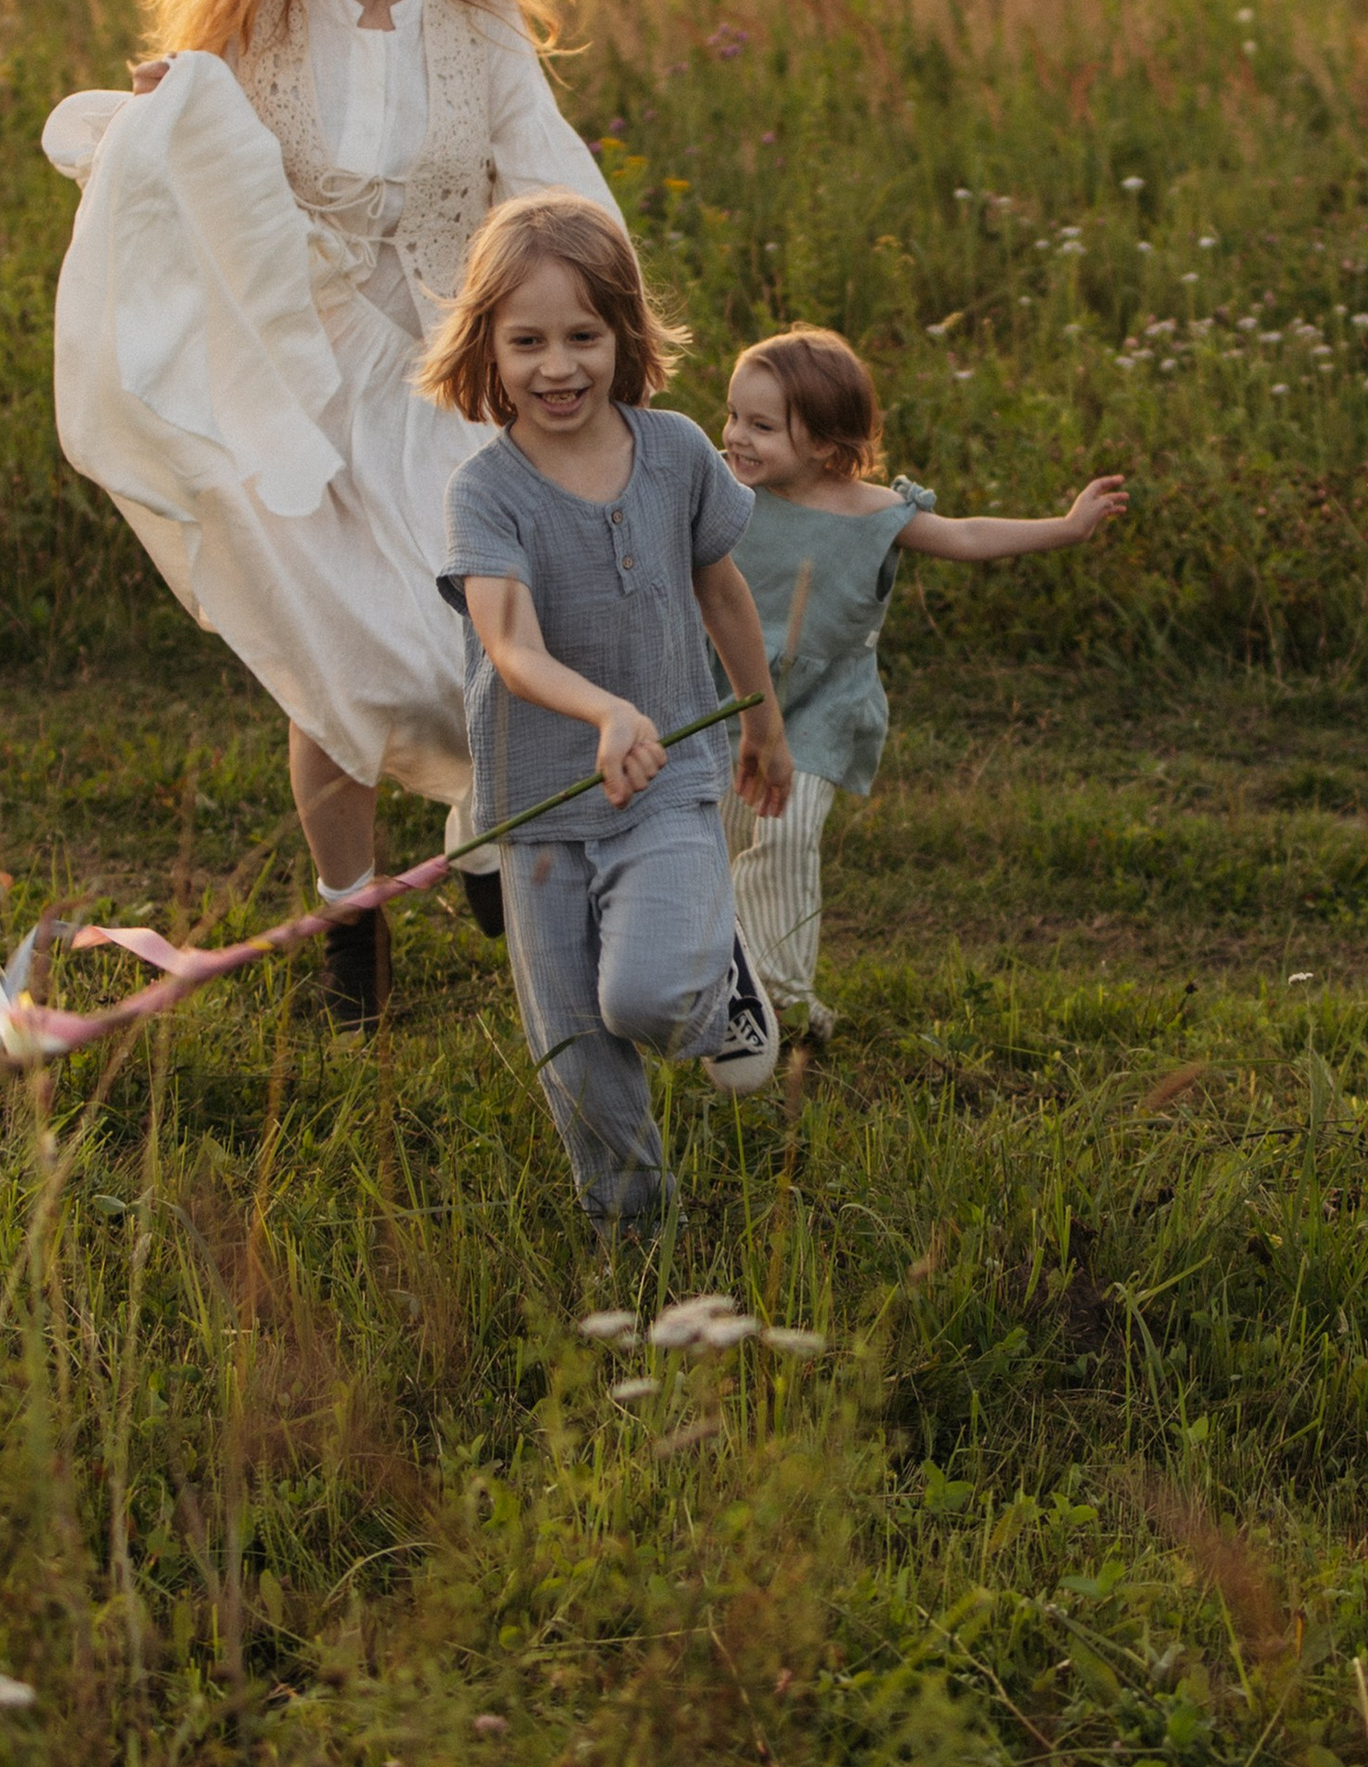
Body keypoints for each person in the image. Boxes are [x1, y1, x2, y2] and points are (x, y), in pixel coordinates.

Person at [42, 0, 616, 1024]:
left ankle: (479, 840)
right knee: (340, 666)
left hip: (455, 382)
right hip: (295, 384)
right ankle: (350, 920)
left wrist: (604, 314)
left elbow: (553, 174)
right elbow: (196, 155)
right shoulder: (257, 16)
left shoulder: (476, 23)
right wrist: (166, 114)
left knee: (494, 643)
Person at [421, 193, 792, 1239]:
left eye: (583, 335)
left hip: (669, 771)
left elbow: (721, 590)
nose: (557, 365)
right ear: (485, 350)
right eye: (526, 339)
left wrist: (759, 721)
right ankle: (633, 1229)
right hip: (540, 800)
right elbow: (510, 646)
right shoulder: (484, 494)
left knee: (642, 999)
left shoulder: (675, 452)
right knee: (576, 1040)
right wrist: (602, 711)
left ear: (624, 334)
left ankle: (709, 976)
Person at [719, 325, 1127, 1031]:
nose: (736, 437)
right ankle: (725, 976)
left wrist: (1065, 526)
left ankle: (782, 992)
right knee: (723, 837)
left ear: (822, 441)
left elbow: (966, 536)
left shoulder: (874, 510)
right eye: (731, 416)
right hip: (730, 690)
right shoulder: (721, 491)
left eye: (760, 425)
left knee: (781, 835)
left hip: (818, 706)